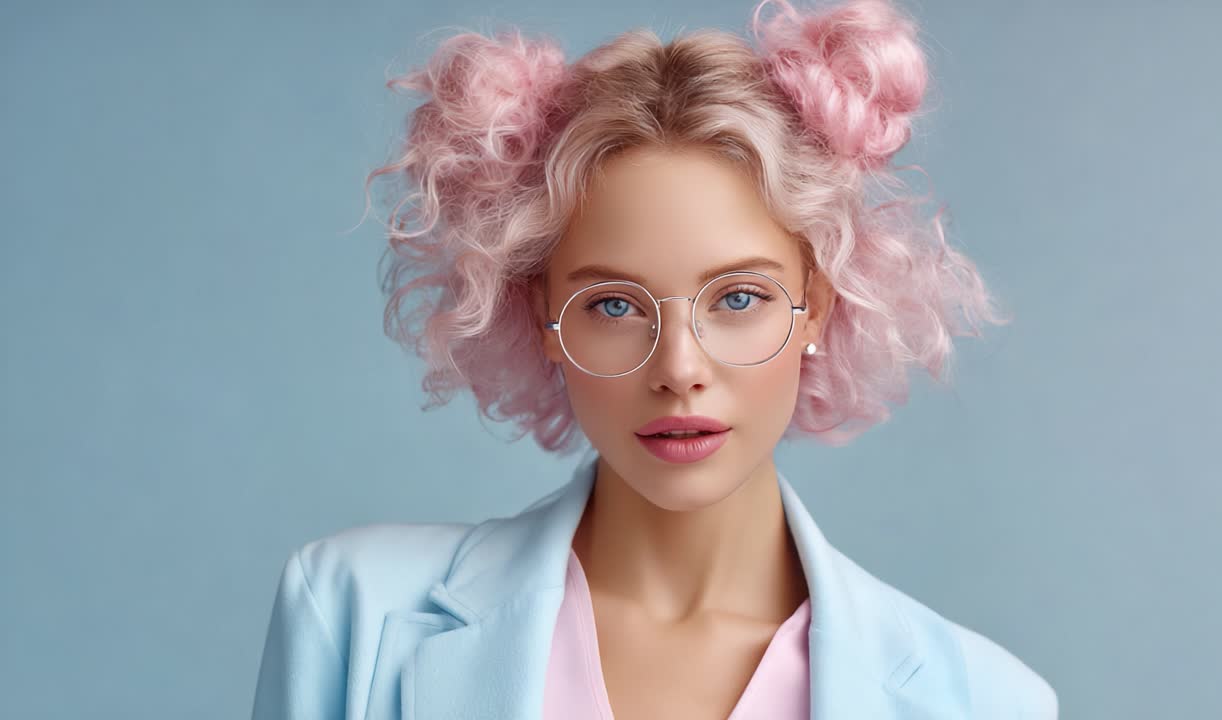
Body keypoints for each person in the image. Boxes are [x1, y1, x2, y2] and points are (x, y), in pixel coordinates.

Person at [250, 0, 1059, 718]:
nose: (678, 368)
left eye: (738, 298)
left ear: (820, 302)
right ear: (541, 316)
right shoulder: (352, 616)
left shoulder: (987, 703)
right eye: (613, 304)